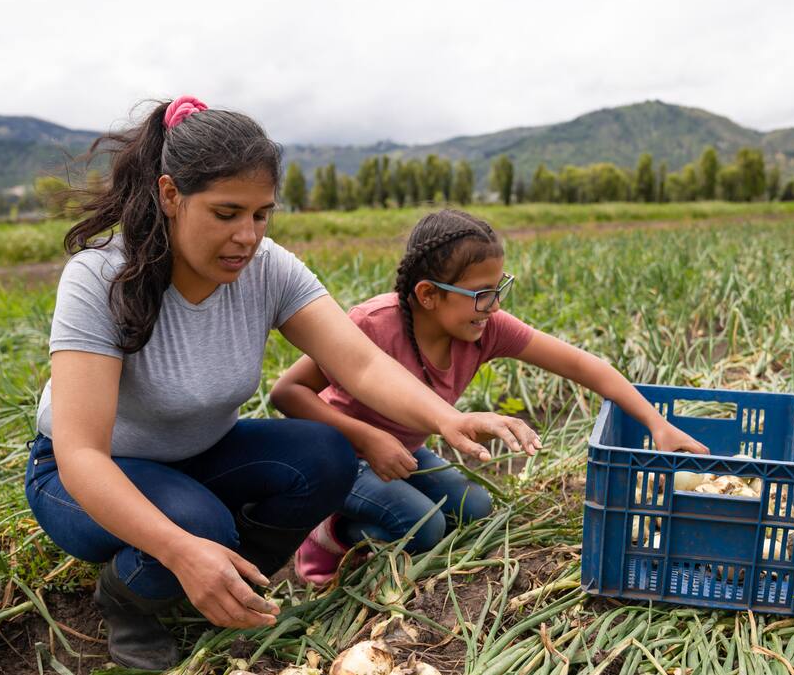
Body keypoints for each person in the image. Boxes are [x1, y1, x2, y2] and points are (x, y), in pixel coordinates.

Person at [25, 99, 539, 671]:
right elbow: (82, 454)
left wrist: (448, 419)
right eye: (226, 213)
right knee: (197, 527)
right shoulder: (102, 277)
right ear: (170, 195)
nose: (246, 236)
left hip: (201, 454)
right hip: (82, 476)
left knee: (326, 453)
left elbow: (361, 365)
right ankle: (128, 601)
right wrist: (180, 548)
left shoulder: (267, 268)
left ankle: (230, 580)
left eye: (261, 215)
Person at [270, 209, 710, 585]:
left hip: (404, 451)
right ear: (428, 294)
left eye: (499, 289)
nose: (495, 306)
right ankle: (328, 536)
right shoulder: (371, 324)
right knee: (423, 527)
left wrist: (658, 424)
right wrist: (367, 439)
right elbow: (287, 392)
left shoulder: (486, 328)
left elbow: (582, 365)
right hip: (340, 458)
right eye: (482, 294)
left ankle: (370, 520)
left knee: (475, 508)